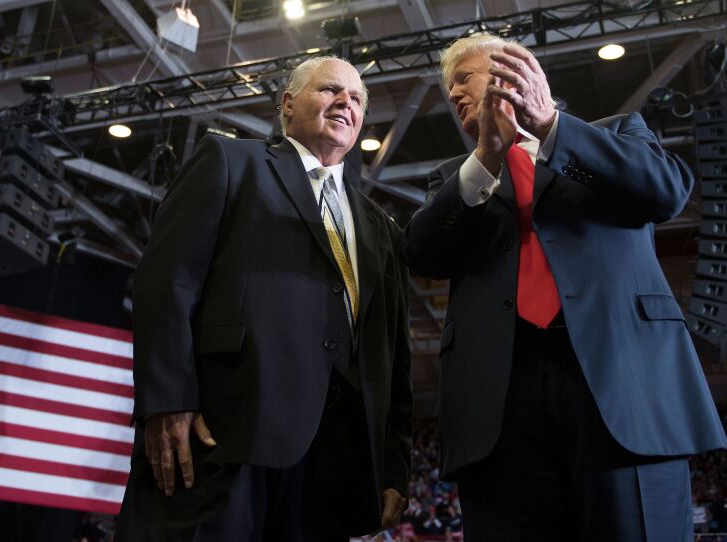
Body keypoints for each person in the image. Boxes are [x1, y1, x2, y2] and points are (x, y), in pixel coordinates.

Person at [403, 32, 727, 541]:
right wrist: (486, 158)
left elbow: (666, 191)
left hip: (622, 386)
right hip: (498, 405)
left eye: (463, 78)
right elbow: (420, 252)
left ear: (513, 70)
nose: (453, 94)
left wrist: (551, 126)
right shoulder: (455, 177)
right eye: (449, 88)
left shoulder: (617, 133)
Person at [115, 56, 412, 542]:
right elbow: (168, 281)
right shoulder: (231, 162)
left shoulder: (380, 226)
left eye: (357, 99)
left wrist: (394, 465)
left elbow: (393, 354)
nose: (346, 103)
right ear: (287, 105)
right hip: (223, 438)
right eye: (330, 90)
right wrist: (166, 400)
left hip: (330, 466)